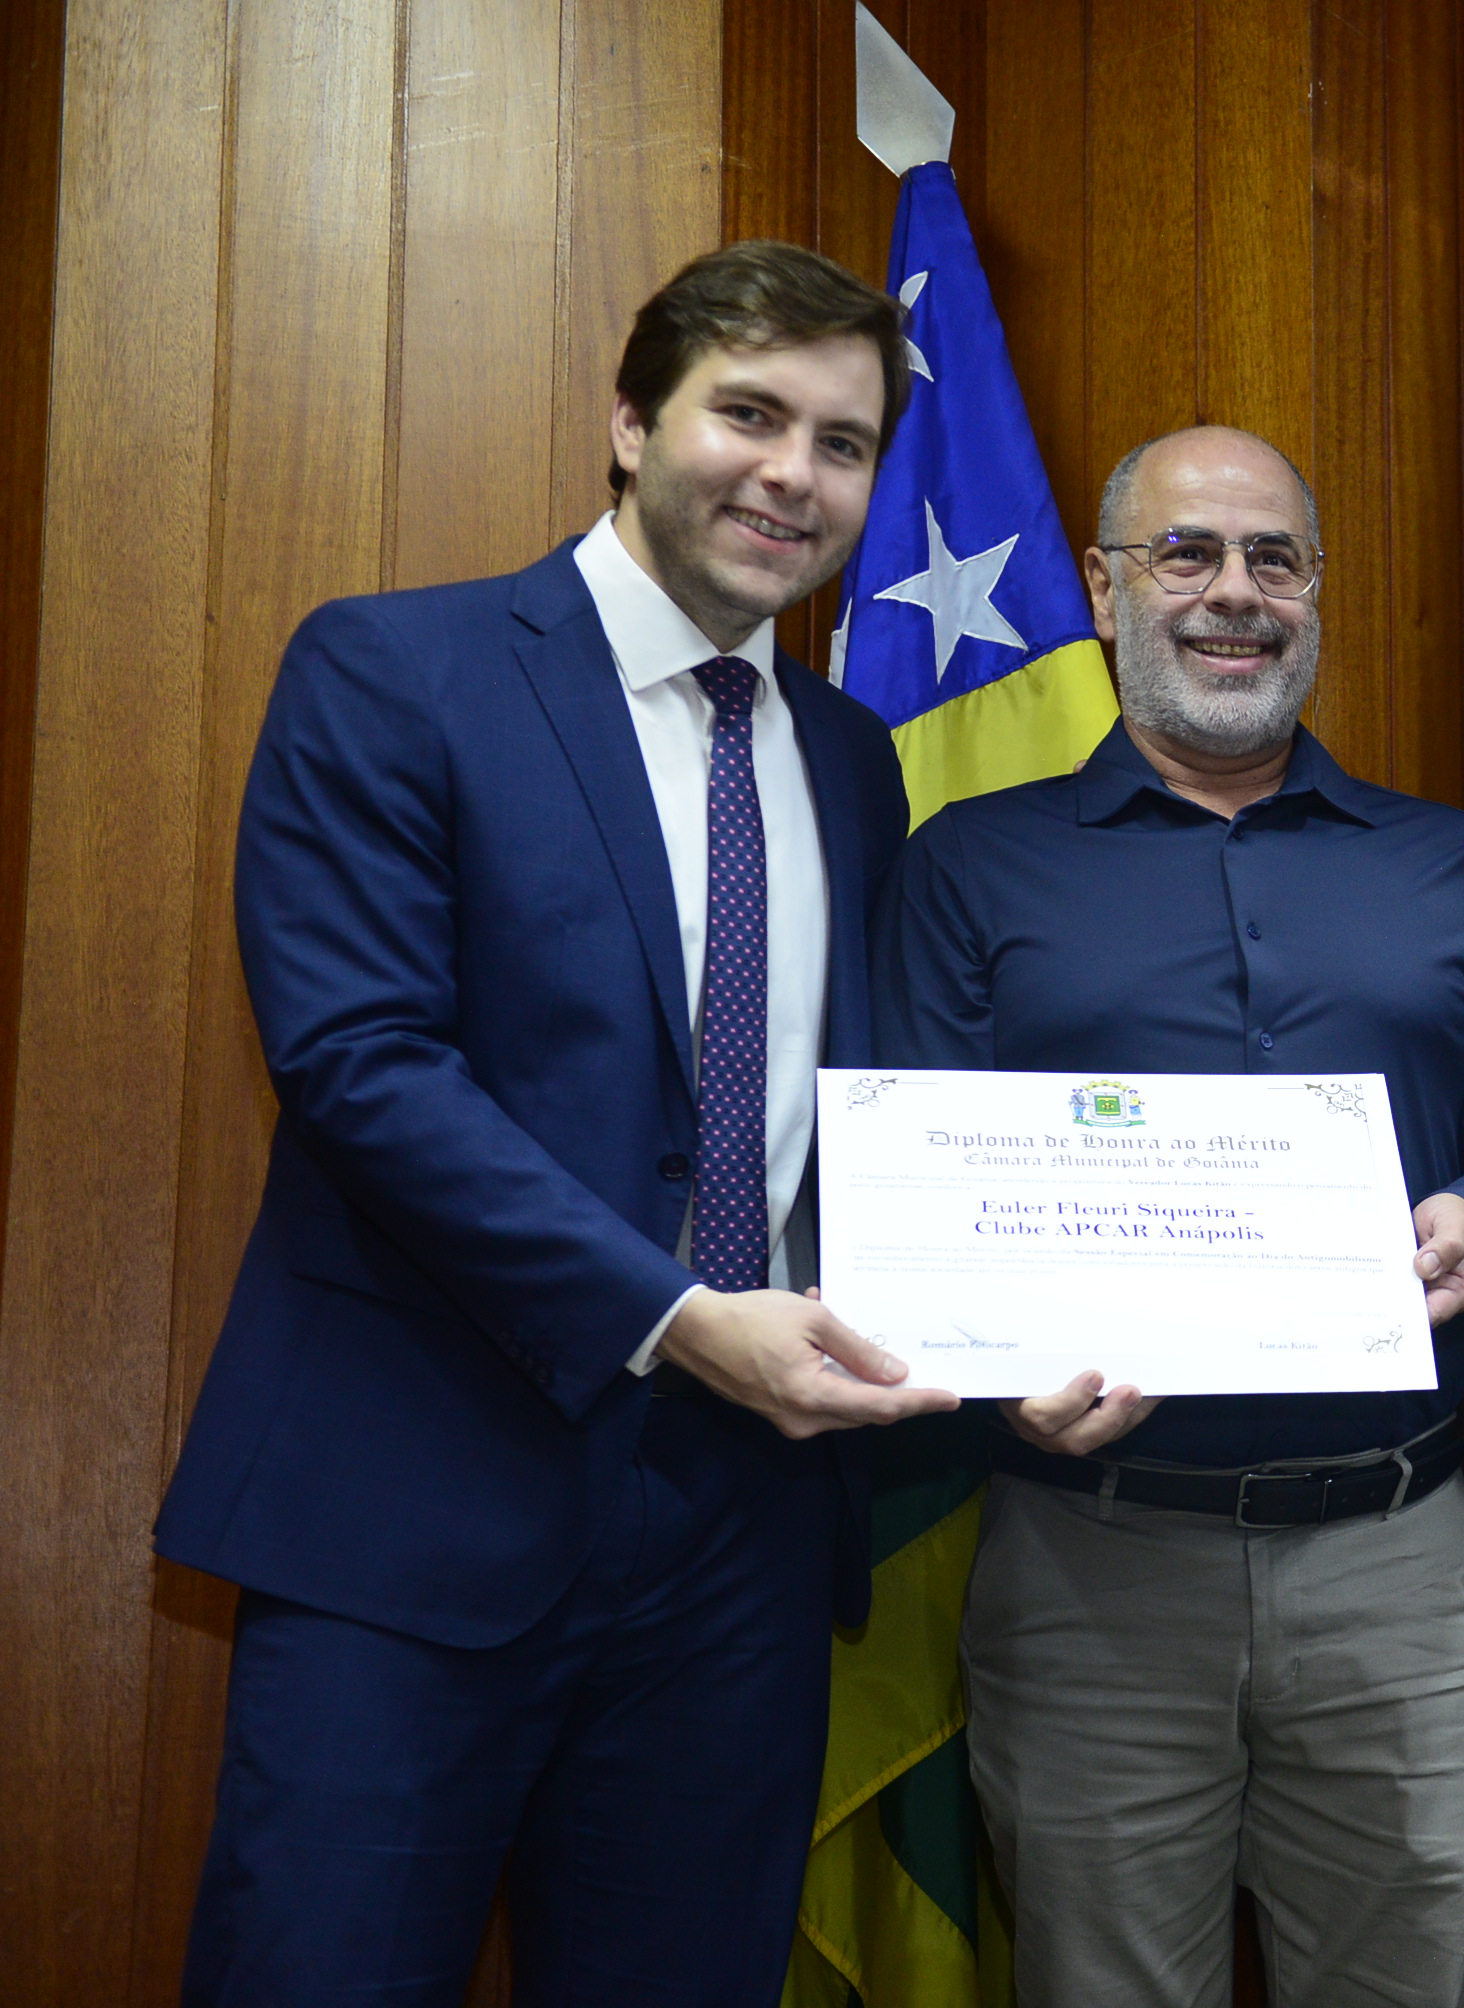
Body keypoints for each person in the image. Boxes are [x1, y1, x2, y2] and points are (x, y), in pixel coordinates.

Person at [156, 241, 960, 2004]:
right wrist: (673, 1316)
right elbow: (362, 1064)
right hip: (417, 1517)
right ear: (630, 422)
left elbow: (858, 1124)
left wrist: (1005, 1338)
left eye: (841, 444)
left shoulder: (850, 756)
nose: (794, 475)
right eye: (749, 414)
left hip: (744, 1548)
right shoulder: (398, 668)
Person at [872, 424, 1464, 2008]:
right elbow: (909, 1181)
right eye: (1187, 553)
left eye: (1277, 559)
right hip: (1092, 1569)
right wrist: (1000, 1371)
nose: (1235, 594)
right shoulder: (971, 867)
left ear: (1316, 593)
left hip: (1396, 1563)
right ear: (1102, 588)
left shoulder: (1446, 861)